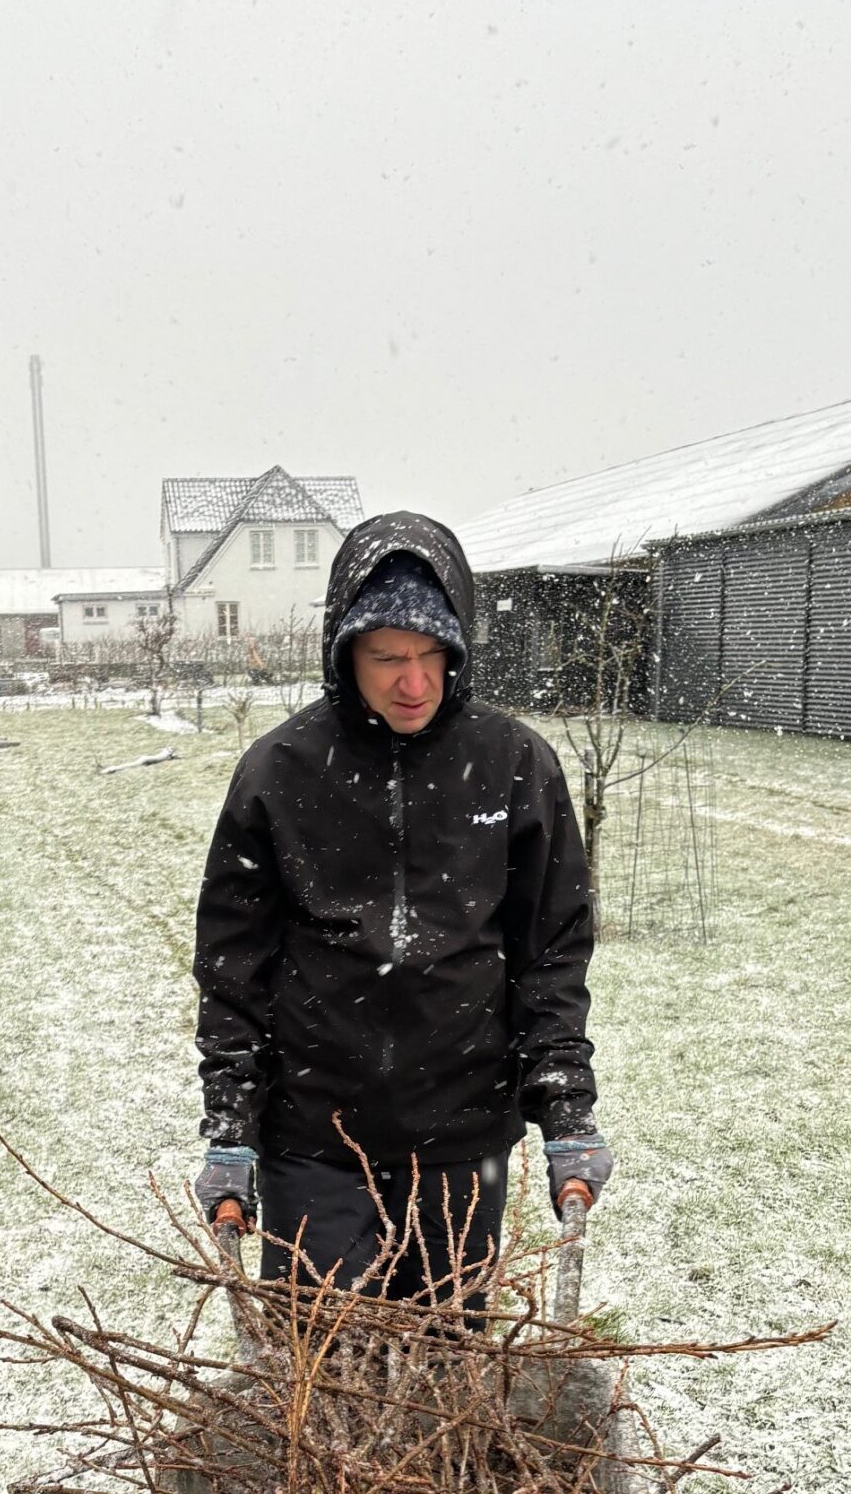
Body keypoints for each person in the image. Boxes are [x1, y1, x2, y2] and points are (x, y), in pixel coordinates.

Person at [190, 510, 611, 1301]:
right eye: (386, 657)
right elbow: (232, 963)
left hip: (460, 1136)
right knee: (319, 1375)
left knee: (446, 1364)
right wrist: (231, 1124)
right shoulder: (280, 771)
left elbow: (550, 951)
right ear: (343, 652)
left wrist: (565, 1105)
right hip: (314, 1136)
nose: (413, 682)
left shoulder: (514, 765)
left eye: (430, 656)